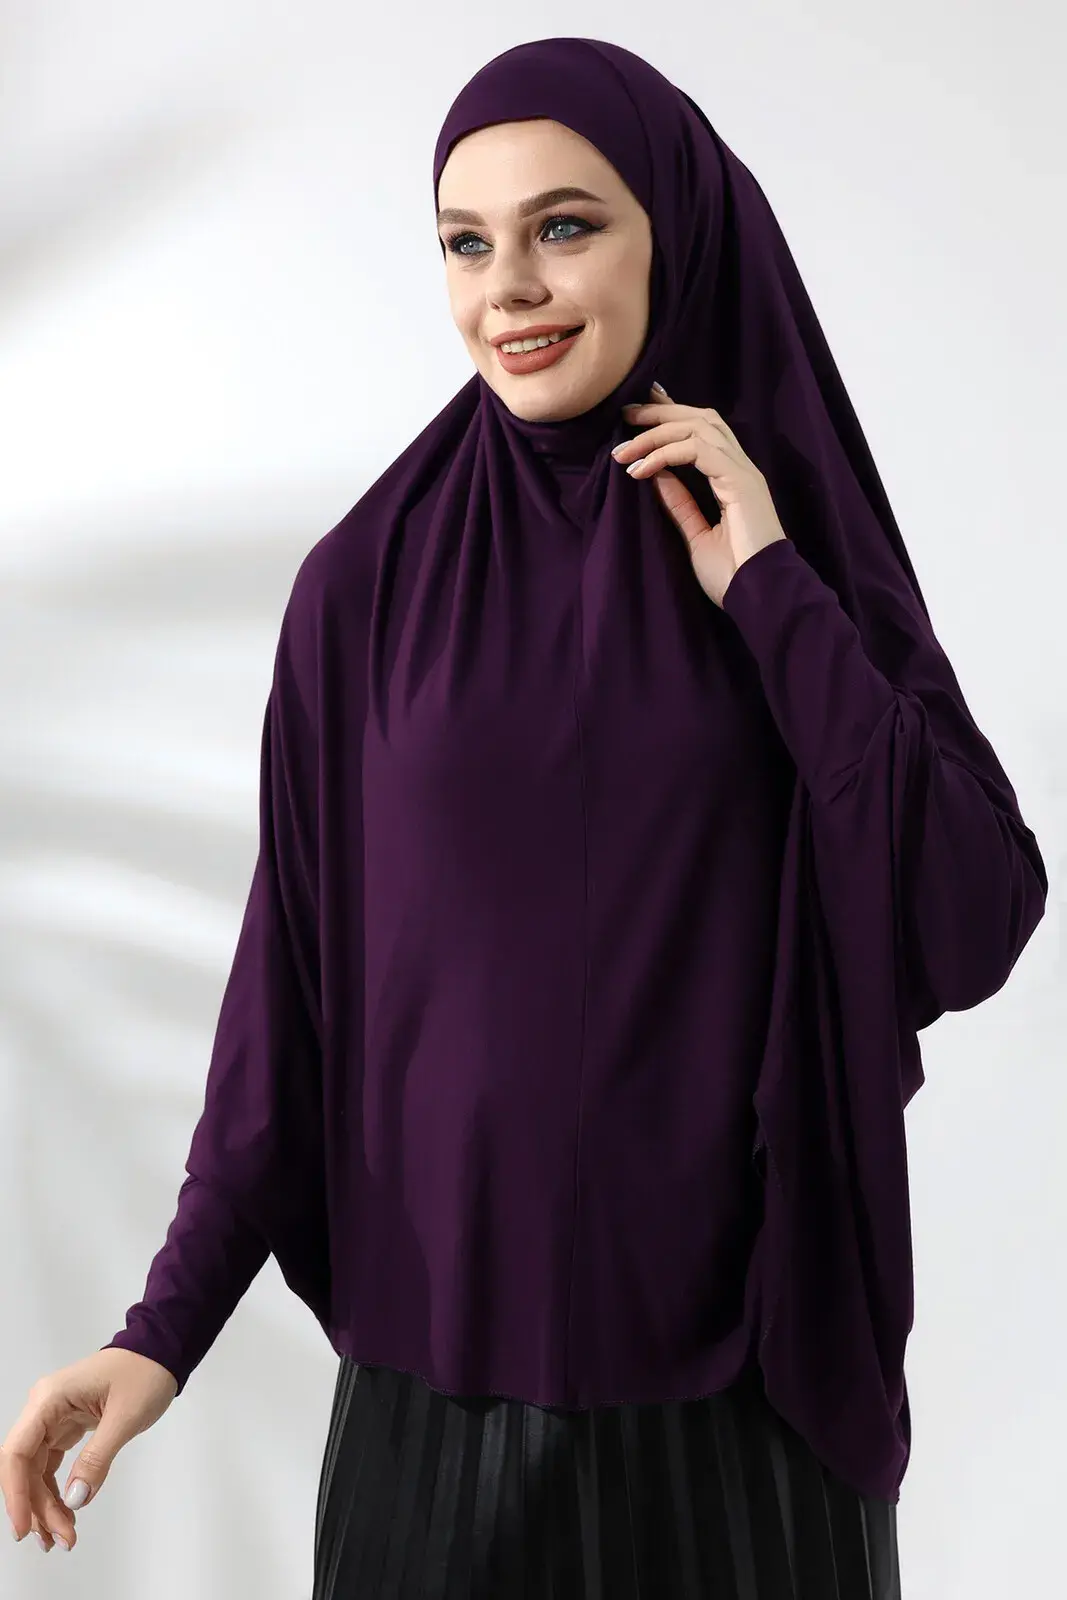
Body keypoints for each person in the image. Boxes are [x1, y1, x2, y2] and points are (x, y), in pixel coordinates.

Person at [0, 37, 1047, 1597]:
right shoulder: (363, 588)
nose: (510, 289)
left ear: (673, 234)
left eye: (564, 226)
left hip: (749, 1419)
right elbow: (287, 1016)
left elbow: (969, 913)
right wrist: (158, 1335)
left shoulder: (786, 563)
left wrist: (770, 594)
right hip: (437, 1420)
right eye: (465, 242)